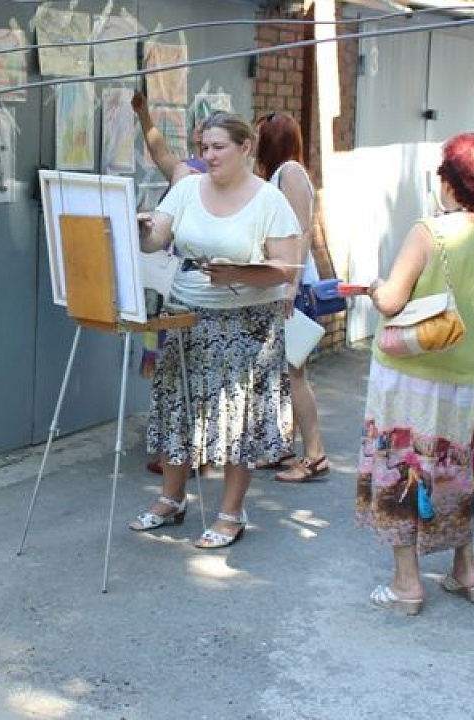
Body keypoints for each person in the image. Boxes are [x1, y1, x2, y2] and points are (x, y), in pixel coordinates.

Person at [128, 112, 301, 549]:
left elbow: (286, 270)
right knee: (175, 407)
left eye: (218, 147)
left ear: (245, 148)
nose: (208, 156)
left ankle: (230, 512)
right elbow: (157, 240)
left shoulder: (269, 200)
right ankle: (171, 499)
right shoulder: (187, 188)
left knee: (235, 419)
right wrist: (141, 230)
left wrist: (237, 275)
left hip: (246, 325)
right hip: (185, 315)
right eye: (204, 147)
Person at [356, 133, 474, 615]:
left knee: (403, 469)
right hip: (462, 379)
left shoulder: (430, 232)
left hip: (408, 372)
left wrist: (377, 288)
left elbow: (393, 300)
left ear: (449, 182)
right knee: (453, 470)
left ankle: (407, 584)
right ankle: (465, 571)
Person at [132, 90, 208, 475]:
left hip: (191, 285)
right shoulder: (187, 171)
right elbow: (161, 151)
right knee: (177, 366)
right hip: (172, 280)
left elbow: (163, 156)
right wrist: (145, 117)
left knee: (185, 368)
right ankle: (186, 449)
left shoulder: (198, 177)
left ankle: (187, 452)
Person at [253, 112, 329, 482]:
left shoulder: (290, 173)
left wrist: (290, 286)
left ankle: (315, 455)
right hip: (286, 283)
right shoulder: (284, 173)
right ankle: (284, 447)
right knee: (284, 371)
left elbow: (299, 233)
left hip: (291, 286)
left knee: (295, 372)